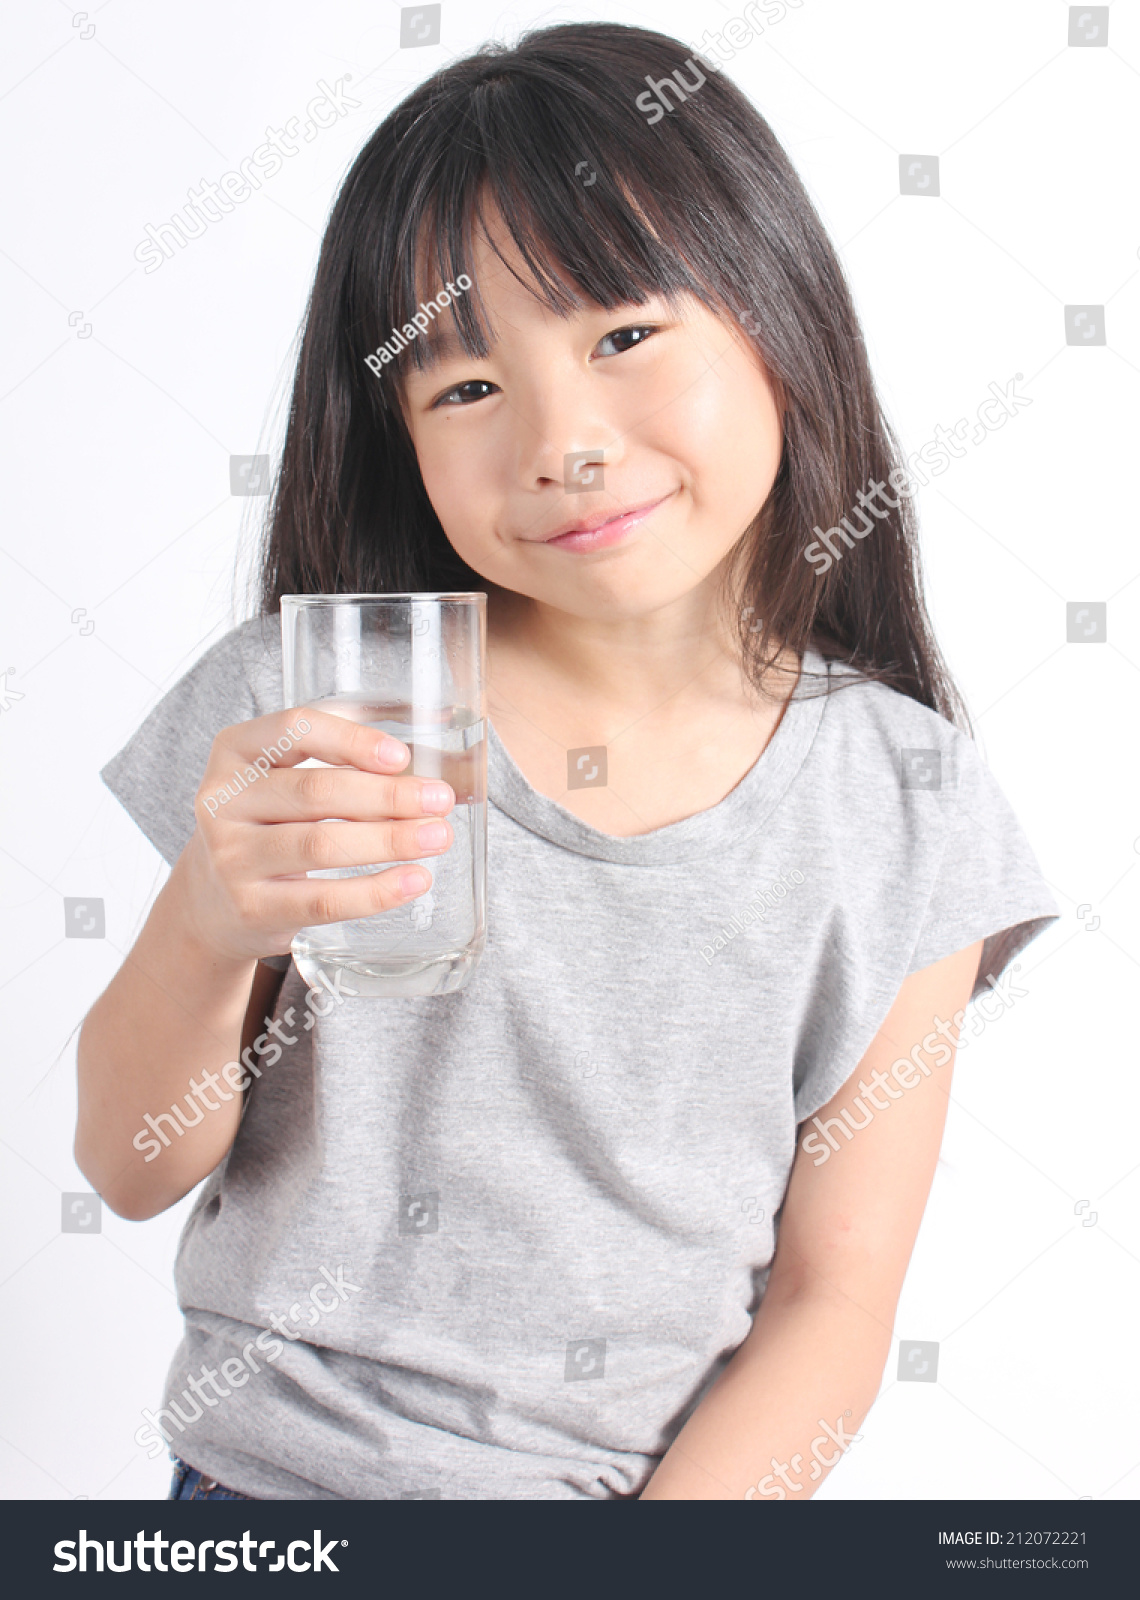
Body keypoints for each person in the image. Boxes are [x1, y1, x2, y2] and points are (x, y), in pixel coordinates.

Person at [76, 21, 1058, 1501]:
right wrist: (212, 918)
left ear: (778, 313)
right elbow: (133, 1164)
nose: (563, 440)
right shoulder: (327, 705)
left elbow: (831, 1305)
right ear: (395, 430)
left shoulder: (903, 801)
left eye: (622, 336)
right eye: (466, 388)